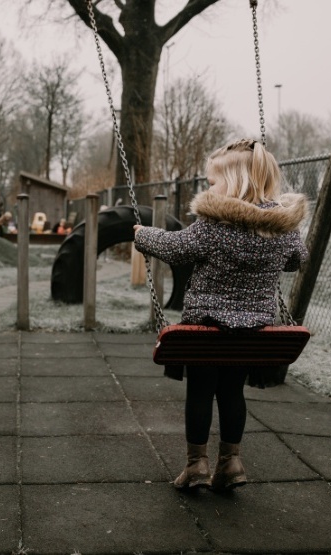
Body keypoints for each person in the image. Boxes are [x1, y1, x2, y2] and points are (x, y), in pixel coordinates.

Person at [133, 138, 307, 492]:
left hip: (205, 328)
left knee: (200, 391)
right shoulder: (283, 228)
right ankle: (232, 463)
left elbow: (175, 249)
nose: (208, 188)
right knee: (232, 393)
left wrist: (142, 235)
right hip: (253, 331)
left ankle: (196, 466)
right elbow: (296, 259)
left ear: (233, 181)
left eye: (212, 182)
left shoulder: (212, 227)